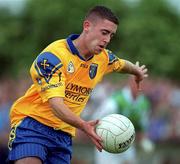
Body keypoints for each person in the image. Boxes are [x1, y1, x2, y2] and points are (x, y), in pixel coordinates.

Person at [8, 5, 148, 164]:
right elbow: (56, 105)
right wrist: (83, 125)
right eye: (104, 32)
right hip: (33, 125)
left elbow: (121, 64)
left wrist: (136, 72)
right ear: (87, 26)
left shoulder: (103, 58)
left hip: (64, 134)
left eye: (111, 35)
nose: (107, 39)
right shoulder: (53, 57)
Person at [92, 77, 154, 164]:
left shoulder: (144, 104)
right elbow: (96, 120)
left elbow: (141, 128)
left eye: (143, 83)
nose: (140, 86)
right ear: (130, 82)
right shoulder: (116, 100)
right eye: (137, 82)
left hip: (127, 143)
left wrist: (144, 141)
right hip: (108, 145)